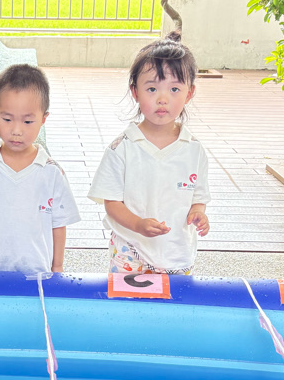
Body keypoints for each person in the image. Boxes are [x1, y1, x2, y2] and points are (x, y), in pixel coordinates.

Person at [88, 32, 211, 275]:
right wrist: (138, 225)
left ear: (189, 93)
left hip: (177, 253)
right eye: (152, 89)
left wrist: (198, 213)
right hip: (130, 251)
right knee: (127, 298)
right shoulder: (122, 148)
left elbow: (199, 197)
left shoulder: (194, 150)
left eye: (174, 89)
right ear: (135, 92)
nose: (163, 99)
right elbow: (111, 203)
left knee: (174, 299)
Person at [0, 64, 80, 273]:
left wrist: (57, 266)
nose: (16, 130)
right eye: (7, 119)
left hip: (36, 274)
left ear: (43, 119)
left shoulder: (52, 173)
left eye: (28, 121)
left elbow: (58, 224)